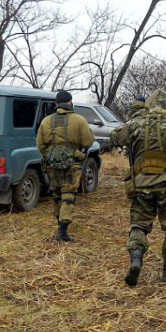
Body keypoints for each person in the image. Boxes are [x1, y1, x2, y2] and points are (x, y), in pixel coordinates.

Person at [111, 89, 166, 286]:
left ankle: (136, 260)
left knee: (139, 225)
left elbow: (115, 137)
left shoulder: (136, 122)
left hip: (141, 184)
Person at [36, 90, 95, 242]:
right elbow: (88, 141)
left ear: (56, 104)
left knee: (56, 194)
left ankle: (58, 224)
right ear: (70, 102)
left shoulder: (46, 121)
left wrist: (52, 154)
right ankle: (62, 231)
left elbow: (40, 145)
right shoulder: (79, 120)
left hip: (52, 164)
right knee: (68, 194)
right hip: (72, 164)